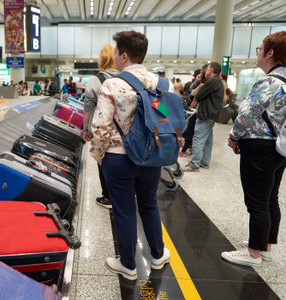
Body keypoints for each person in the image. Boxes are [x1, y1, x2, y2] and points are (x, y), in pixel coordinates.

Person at [90, 30, 171, 281]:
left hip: (118, 157)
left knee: (124, 210)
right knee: (149, 205)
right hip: (151, 156)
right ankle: (158, 255)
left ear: (124, 56)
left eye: (115, 52)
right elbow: (165, 117)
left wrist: (99, 155)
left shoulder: (112, 84)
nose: (113, 56)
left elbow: (100, 126)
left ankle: (128, 265)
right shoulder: (160, 83)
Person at [222, 31, 286, 267]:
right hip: (282, 146)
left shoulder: (268, 82)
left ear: (270, 52)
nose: (258, 52)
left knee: (257, 202)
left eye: (260, 48)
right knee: (271, 197)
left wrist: (234, 136)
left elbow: (247, 113)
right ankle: (265, 245)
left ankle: (253, 253)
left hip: (260, 146)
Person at [83, 44, 118, 209]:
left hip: (102, 130)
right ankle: (124, 193)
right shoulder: (127, 78)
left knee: (102, 160)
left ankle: (108, 197)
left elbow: (88, 107)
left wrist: (85, 129)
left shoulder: (95, 80)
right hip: (124, 131)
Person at [184, 62, 224, 171]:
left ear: (211, 70)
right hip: (210, 115)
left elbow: (199, 95)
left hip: (206, 115)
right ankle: (205, 162)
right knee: (208, 141)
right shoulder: (217, 81)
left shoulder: (212, 81)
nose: (205, 72)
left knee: (198, 138)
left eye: (207, 70)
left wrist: (199, 90)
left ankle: (194, 164)